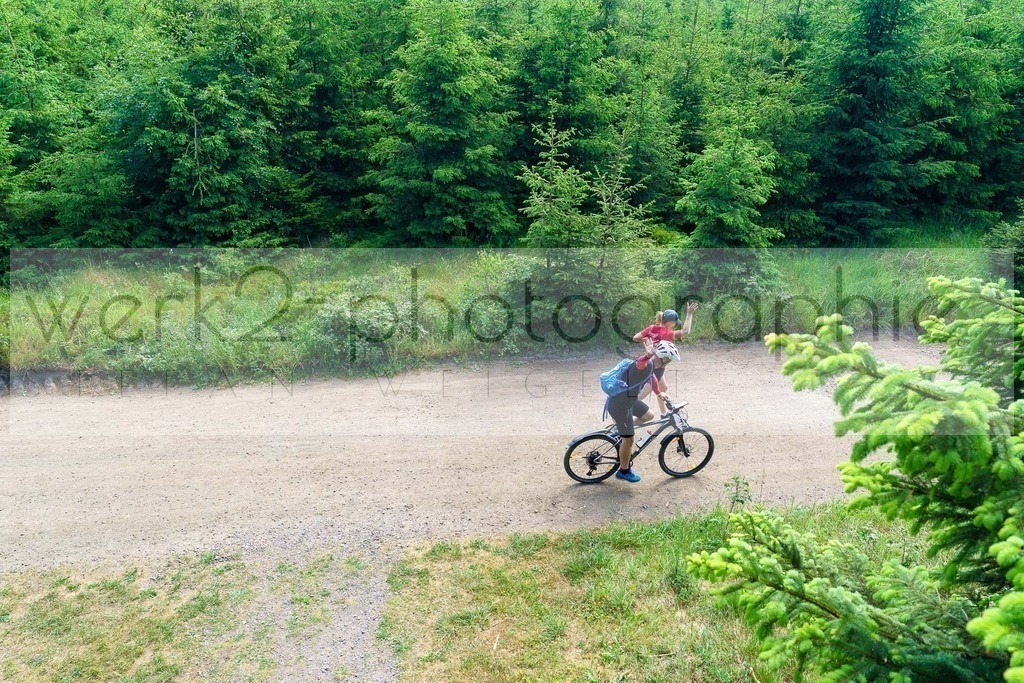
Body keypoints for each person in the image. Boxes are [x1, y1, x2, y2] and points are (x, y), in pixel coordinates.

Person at [606, 338, 680, 483]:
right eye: (670, 360)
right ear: (665, 359)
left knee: (649, 415)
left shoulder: (652, 366)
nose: (670, 363)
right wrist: (647, 355)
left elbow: (651, 378)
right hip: (621, 406)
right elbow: (640, 364)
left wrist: (659, 393)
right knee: (629, 440)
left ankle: (619, 431)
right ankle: (624, 471)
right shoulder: (646, 364)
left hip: (628, 401)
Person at [632, 303, 698, 415]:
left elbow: (635, 338)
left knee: (663, 387)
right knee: (639, 397)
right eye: (674, 323)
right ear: (670, 322)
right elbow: (685, 332)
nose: (674, 325)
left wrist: (646, 341)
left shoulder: (652, 328)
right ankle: (625, 409)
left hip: (654, 364)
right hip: (655, 367)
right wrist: (689, 314)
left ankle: (664, 414)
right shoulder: (668, 333)